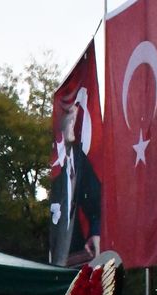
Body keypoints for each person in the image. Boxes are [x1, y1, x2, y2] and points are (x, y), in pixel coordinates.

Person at [48, 96, 102, 267]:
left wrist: (95, 231)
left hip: (72, 254)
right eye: (69, 113)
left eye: (76, 114)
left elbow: (96, 198)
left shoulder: (79, 159)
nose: (74, 117)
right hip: (44, 254)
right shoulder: (50, 162)